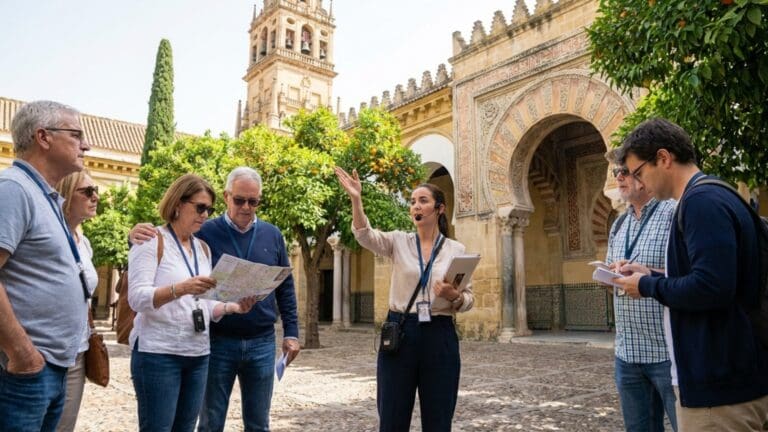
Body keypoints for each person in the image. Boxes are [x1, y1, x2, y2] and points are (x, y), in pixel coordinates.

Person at [612, 118, 768, 431]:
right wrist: (653, 272)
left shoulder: (700, 202)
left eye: (639, 172)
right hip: (736, 378)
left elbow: (712, 287)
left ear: (664, 158)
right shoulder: (717, 194)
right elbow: (716, 273)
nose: (640, 182)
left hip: (720, 391)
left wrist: (647, 284)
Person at [130, 167, 300, 432]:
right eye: (239, 200)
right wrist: (135, 237)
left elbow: (284, 288)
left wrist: (236, 307)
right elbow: (143, 287)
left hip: (245, 343)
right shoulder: (201, 233)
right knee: (207, 423)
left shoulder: (209, 245)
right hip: (205, 345)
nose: (246, 207)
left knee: (256, 423)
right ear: (227, 196)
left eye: (253, 202)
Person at [335, 166, 474, 432]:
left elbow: (469, 299)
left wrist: (454, 296)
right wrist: (356, 199)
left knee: (439, 418)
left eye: (423, 201)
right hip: (401, 332)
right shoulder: (399, 242)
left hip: (439, 333)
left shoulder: (456, 250)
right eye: (412, 202)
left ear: (440, 209)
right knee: (392, 416)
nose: (415, 206)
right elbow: (365, 235)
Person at [0, 100, 91, 431]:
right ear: (43, 137)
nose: (86, 144)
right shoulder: (14, 190)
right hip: (25, 370)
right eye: (76, 134)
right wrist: (22, 353)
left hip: (49, 368)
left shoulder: (46, 197)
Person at [604, 157, 677, 432]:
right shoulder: (619, 225)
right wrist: (611, 273)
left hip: (667, 354)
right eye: (616, 172)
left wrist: (647, 274)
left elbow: (691, 276)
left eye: (625, 172)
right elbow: (614, 273)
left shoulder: (673, 212)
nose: (619, 177)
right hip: (627, 354)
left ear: (644, 175)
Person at [54, 171, 100, 432]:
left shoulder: (84, 242)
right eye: (87, 192)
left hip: (77, 351)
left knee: (64, 426)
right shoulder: (48, 236)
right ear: (65, 195)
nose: (95, 197)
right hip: (44, 350)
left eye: (96, 191)